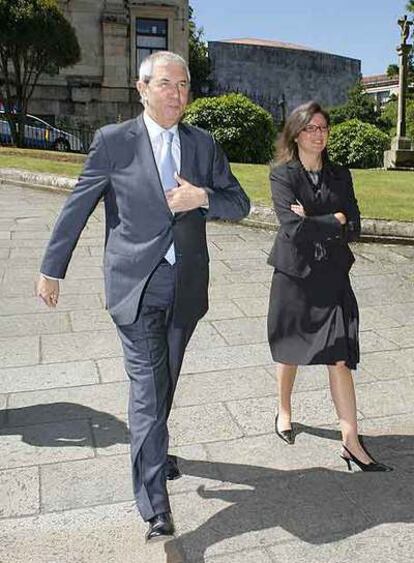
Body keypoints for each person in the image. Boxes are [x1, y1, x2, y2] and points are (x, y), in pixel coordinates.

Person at [36, 51, 250, 540]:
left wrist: (204, 199)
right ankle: (155, 506)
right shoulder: (114, 142)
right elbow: (78, 206)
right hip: (135, 287)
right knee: (149, 393)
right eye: (166, 84)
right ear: (143, 87)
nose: (176, 93)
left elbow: (240, 202)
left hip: (187, 287)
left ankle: (154, 449)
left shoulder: (202, 144)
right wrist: (53, 269)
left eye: (184, 85)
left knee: (164, 381)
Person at [267, 101, 391, 472]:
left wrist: (322, 220)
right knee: (290, 348)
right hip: (295, 274)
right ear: (296, 133)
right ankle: (284, 410)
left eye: (323, 128)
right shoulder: (282, 176)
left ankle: (351, 440)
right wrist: (332, 220)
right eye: (311, 128)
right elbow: (293, 230)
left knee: (339, 354)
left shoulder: (341, 175)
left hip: (333, 274)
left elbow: (354, 225)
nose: (318, 134)